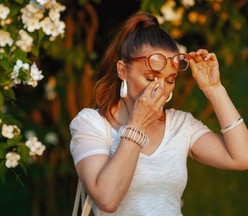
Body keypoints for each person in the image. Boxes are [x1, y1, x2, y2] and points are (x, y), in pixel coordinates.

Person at [69, 12, 248, 215]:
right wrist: (137, 124)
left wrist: (213, 88)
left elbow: (242, 157)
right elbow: (107, 199)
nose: (160, 88)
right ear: (122, 71)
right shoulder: (91, 123)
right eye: (150, 77)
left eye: (170, 80)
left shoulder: (181, 124)